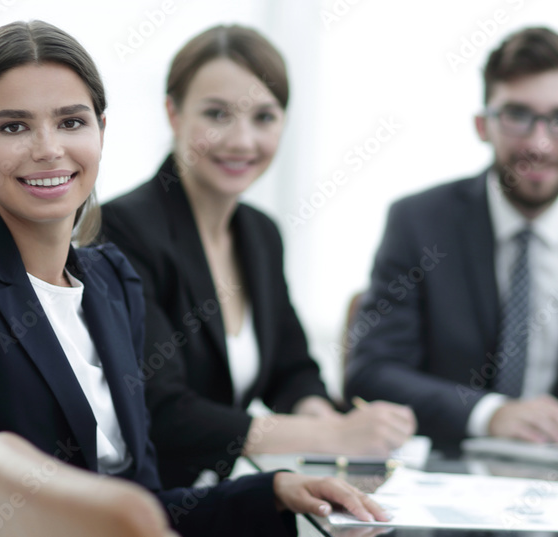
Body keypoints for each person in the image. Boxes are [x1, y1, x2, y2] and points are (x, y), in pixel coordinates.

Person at [0, 20, 389, 537]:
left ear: (101, 132)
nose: (48, 148)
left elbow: (141, 504)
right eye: (14, 126)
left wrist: (271, 489)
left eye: (71, 122)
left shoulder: (110, 279)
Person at [98, 25, 417, 489]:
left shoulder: (259, 234)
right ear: (173, 113)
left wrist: (321, 412)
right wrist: (332, 434)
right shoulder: (123, 229)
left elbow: (291, 370)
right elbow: (164, 412)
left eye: (264, 117)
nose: (242, 141)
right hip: (147, 505)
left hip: (220, 493)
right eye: (217, 114)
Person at [345, 27, 558, 448]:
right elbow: (372, 373)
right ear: (483, 125)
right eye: (518, 115)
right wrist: (490, 414)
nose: (539, 144)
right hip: (447, 480)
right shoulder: (419, 222)